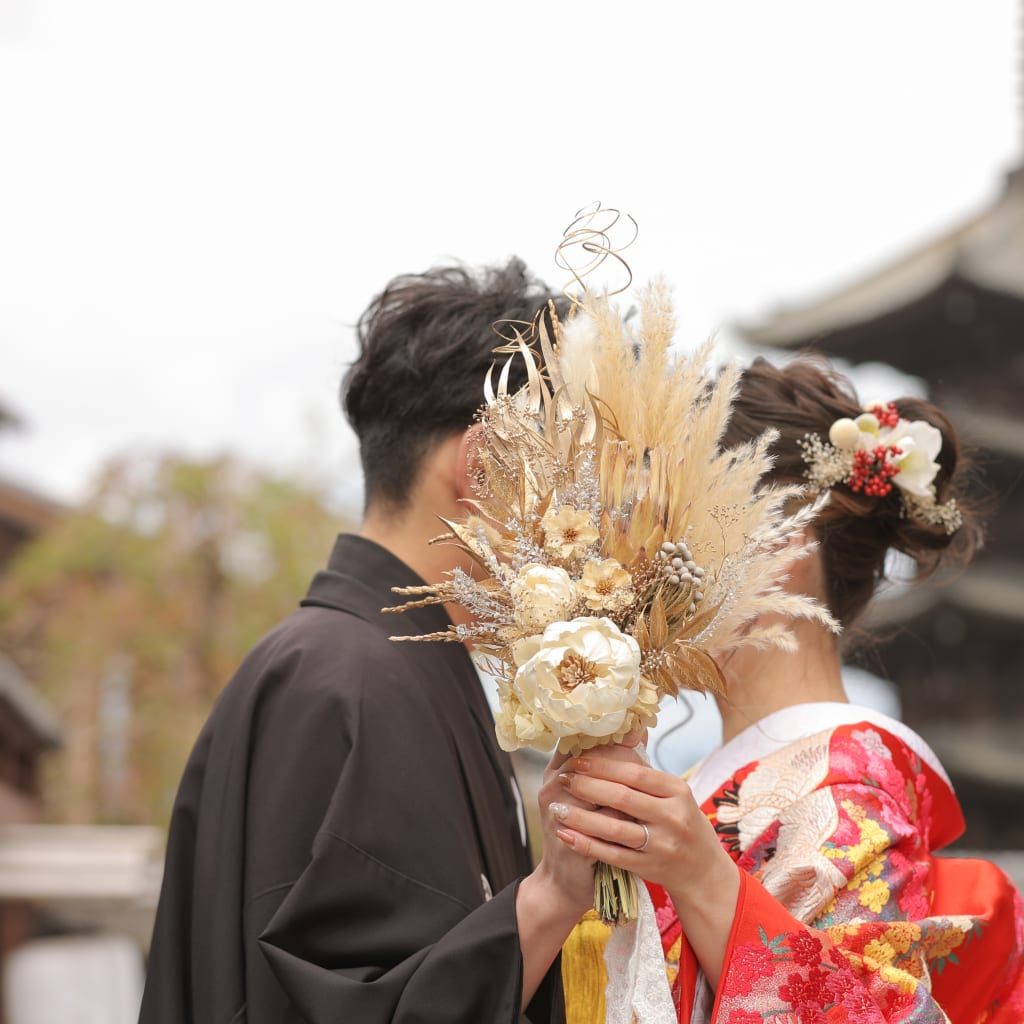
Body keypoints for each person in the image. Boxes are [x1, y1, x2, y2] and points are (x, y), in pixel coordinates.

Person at [138, 260, 601, 1023]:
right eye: (567, 464)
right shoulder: (343, 679)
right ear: (482, 465)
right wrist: (550, 897)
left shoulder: (371, 664)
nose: (577, 507)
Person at [555, 357, 1024, 1022]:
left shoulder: (846, 784)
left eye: (671, 526)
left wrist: (704, 881)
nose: (636, 564)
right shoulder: (710, 785)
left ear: (781, 536)